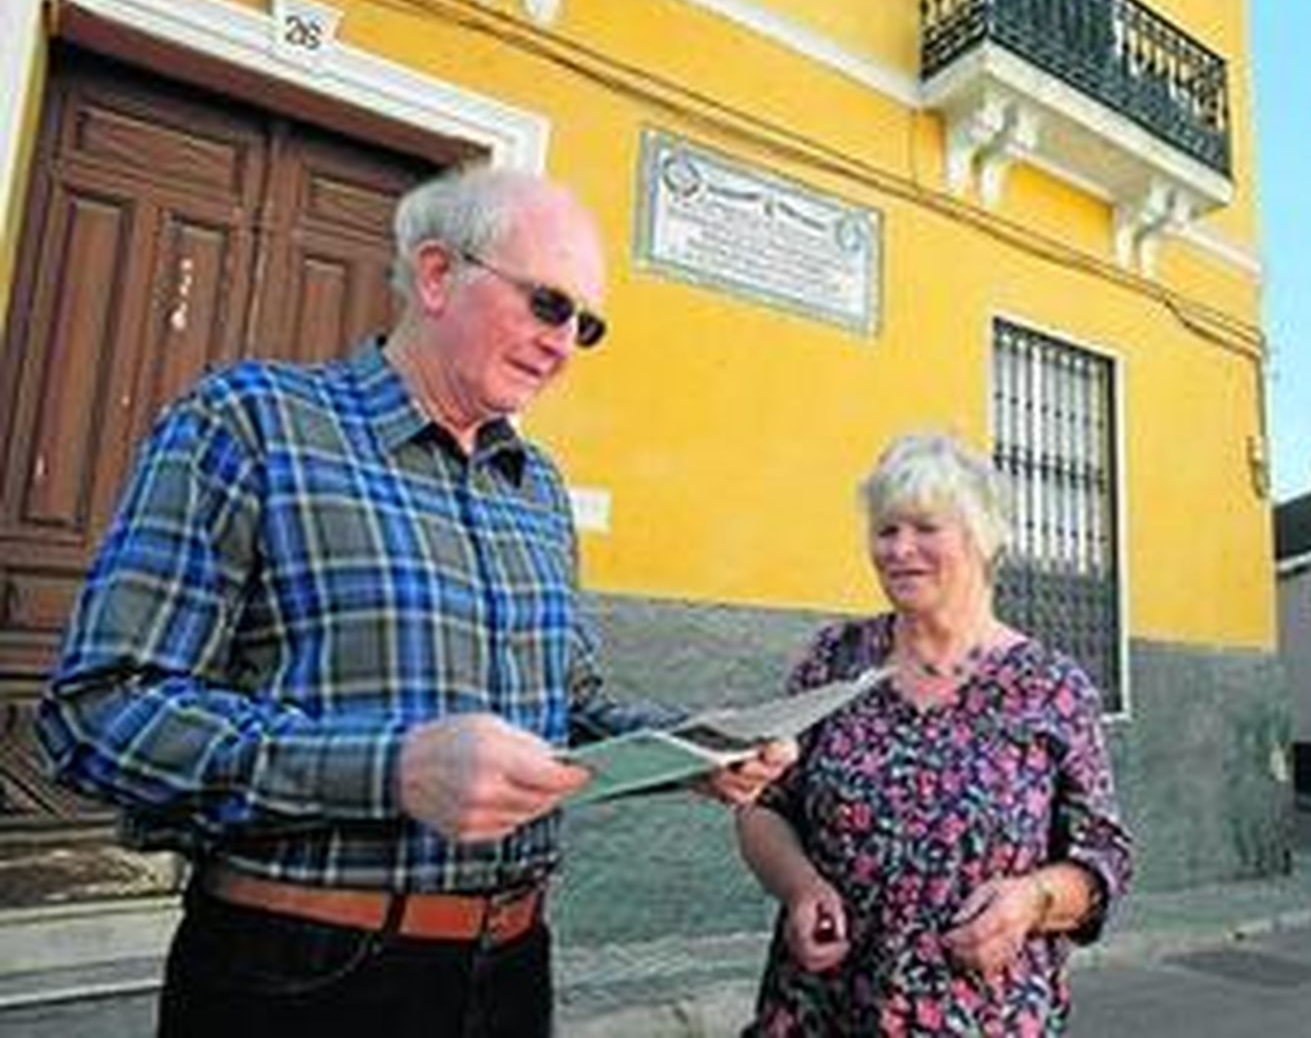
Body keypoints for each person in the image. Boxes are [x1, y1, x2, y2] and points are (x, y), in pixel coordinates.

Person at [36, 166, 793, 1038]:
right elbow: (98, 714)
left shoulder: (534, 487)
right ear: (437, 275)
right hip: (301, 973)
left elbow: (570, 706)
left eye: (586, 325)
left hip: (511, 969)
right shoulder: (249, 424)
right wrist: (391, 767)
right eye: (548, 304)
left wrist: (693, 749)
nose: (564, 345)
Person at [737, 433, 1133, 1035]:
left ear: (981, 536)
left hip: (983, 1016)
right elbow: (765, 805)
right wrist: (800, 887)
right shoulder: (834, 659)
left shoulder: (1052, 686)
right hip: (823, 1009)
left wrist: (1033, 901)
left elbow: (1102, 856)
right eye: (886, 530)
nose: (899, 549)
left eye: (925, 528)